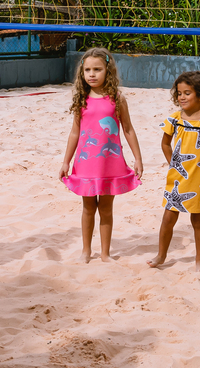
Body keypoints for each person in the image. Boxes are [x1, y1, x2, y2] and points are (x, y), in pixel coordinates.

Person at [59, 47, 144, 263]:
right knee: (88, 208)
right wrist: (65, 162)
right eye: (87, 70)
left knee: (106, 209)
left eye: (97, 69)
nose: (92, 74)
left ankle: (105, 253)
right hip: (86, 163)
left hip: (110, 163)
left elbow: (128, 129)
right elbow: (75, 132)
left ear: (108, 70)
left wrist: (138, 158)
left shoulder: (117, 98)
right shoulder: (81, 98)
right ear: (82, 72)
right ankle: (86, 251)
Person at [148, 71, 200, 272]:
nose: (181, 97)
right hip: (178, 178)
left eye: (187, 93)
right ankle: (161, 255)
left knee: (198, 219)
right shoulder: (175, 119)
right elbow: (165, 144)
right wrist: (173, 164)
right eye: (179, 93)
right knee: (168, 218)